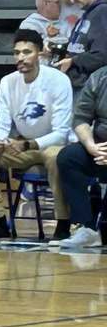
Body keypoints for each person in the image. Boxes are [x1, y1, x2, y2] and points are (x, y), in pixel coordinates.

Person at [0, 29, 72, 242]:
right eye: (16, 52)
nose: (20, 57)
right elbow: (1, 123)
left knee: (56, 156)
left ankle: (63, 223)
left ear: (39, 54)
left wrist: (28, 144)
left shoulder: (58, 80)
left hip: (51, 144)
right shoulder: (8, 82)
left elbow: (62, 133)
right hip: (22, 144)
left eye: (26, 52)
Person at [54, 64, 107, 248]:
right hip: (100, 148)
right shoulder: (100, 77)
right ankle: (86, 227)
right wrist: (91, 146)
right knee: (69, 157)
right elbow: (81, 118)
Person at [57, 0, 107, 90]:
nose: (72, 1)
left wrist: (72, 62)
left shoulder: (102, 12)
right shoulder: (86, 15)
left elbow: (102, 55)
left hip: (90, 90)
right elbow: (77, 48)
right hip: (78, 86)